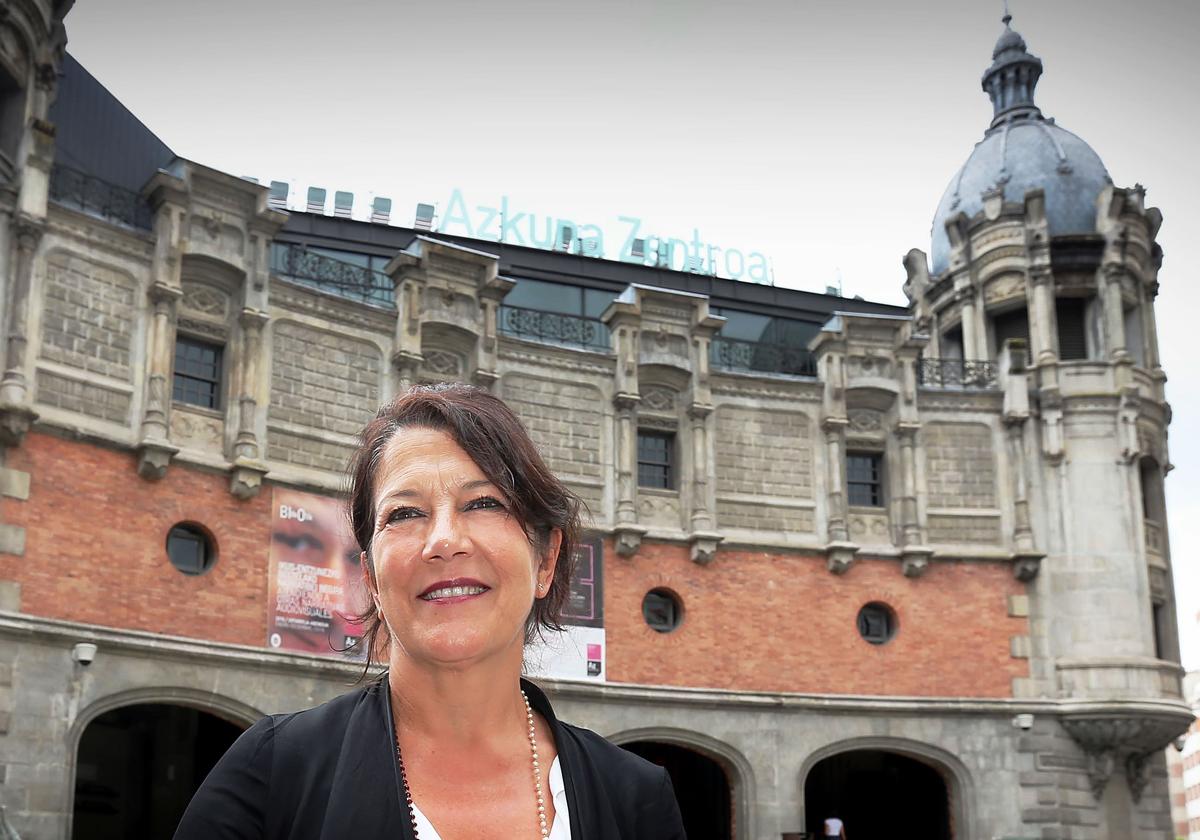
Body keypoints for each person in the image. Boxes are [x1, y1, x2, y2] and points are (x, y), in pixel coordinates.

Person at [175, 383, 686, 839]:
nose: (443, 541)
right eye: (405, 513)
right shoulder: (270, 774)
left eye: (484, 503)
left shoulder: (635, 797)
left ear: (546, 559)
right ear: (371, 576)